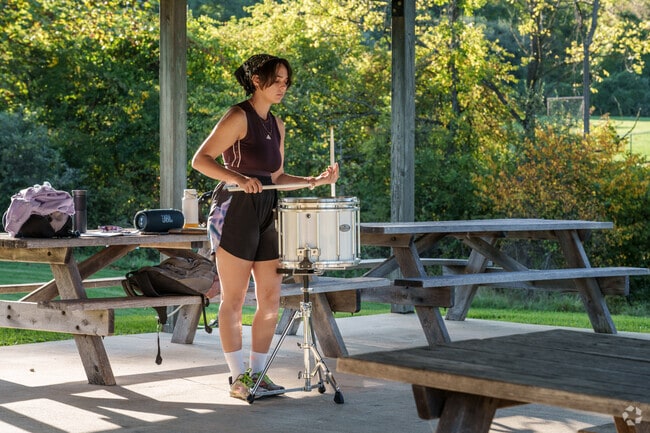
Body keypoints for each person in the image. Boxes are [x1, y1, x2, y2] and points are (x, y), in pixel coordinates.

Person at [191, 54, 339, 401]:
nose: (283, 87)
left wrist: (312, 181)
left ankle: (258, 374)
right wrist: (238, 178)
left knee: (271, 298)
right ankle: (237, 377)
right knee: (235, 298)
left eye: (286, 81)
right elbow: (201, 159)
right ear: (257, 80)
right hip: (236, 209)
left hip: (269, 210)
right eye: (277, 80)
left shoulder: (278, 125)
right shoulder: (237, 116)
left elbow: (275, 178)